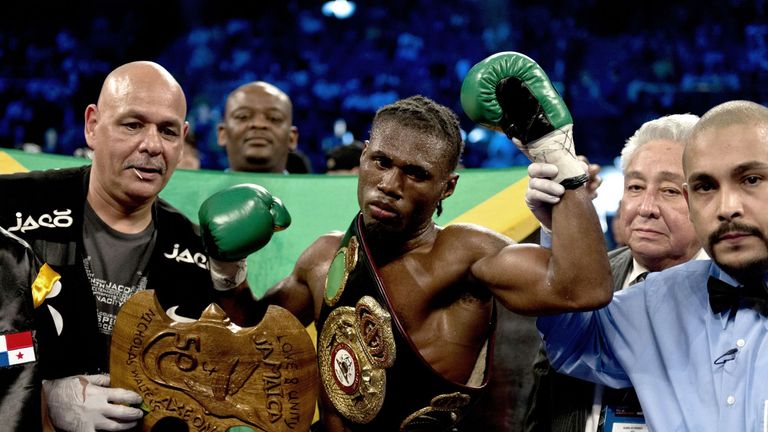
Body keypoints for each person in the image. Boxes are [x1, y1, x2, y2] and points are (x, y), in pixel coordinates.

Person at [257, 55, 613, 430]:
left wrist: (557, 156)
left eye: (416, 173)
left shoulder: (464, 256)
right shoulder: (323, 258)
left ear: (448, 186)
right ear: (363, 156)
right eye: (381, 162)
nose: (391, 186)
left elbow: (583, 289)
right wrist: (227, 267)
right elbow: (247, 336)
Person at [0, 61, 276, 432]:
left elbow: (231, 372)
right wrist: (42, 400)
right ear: (93, 125)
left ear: (184, 138)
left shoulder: (197, 251)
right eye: (132, 125)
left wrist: (231, 277)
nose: (151, 146)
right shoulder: (12, 208)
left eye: (168, 131)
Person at [534, 99, 768, 431]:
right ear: (692, 202)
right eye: (705, 187)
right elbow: (569, 340)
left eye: (751, 179)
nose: (727, 207)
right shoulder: (656, 301)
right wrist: (565, 213)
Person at [523, 114, 707, 432]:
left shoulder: (742, 293)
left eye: (670, 191)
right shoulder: (583, 282)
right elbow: (543, 404)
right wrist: (563, 221)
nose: (645, 207)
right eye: (635, 187)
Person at [217, 81, 308, 173]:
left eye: (274, 118)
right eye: (243, 116)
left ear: (292, 138)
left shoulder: (316, 188)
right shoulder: (202, 187)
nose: (259, 124)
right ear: (222, 134)